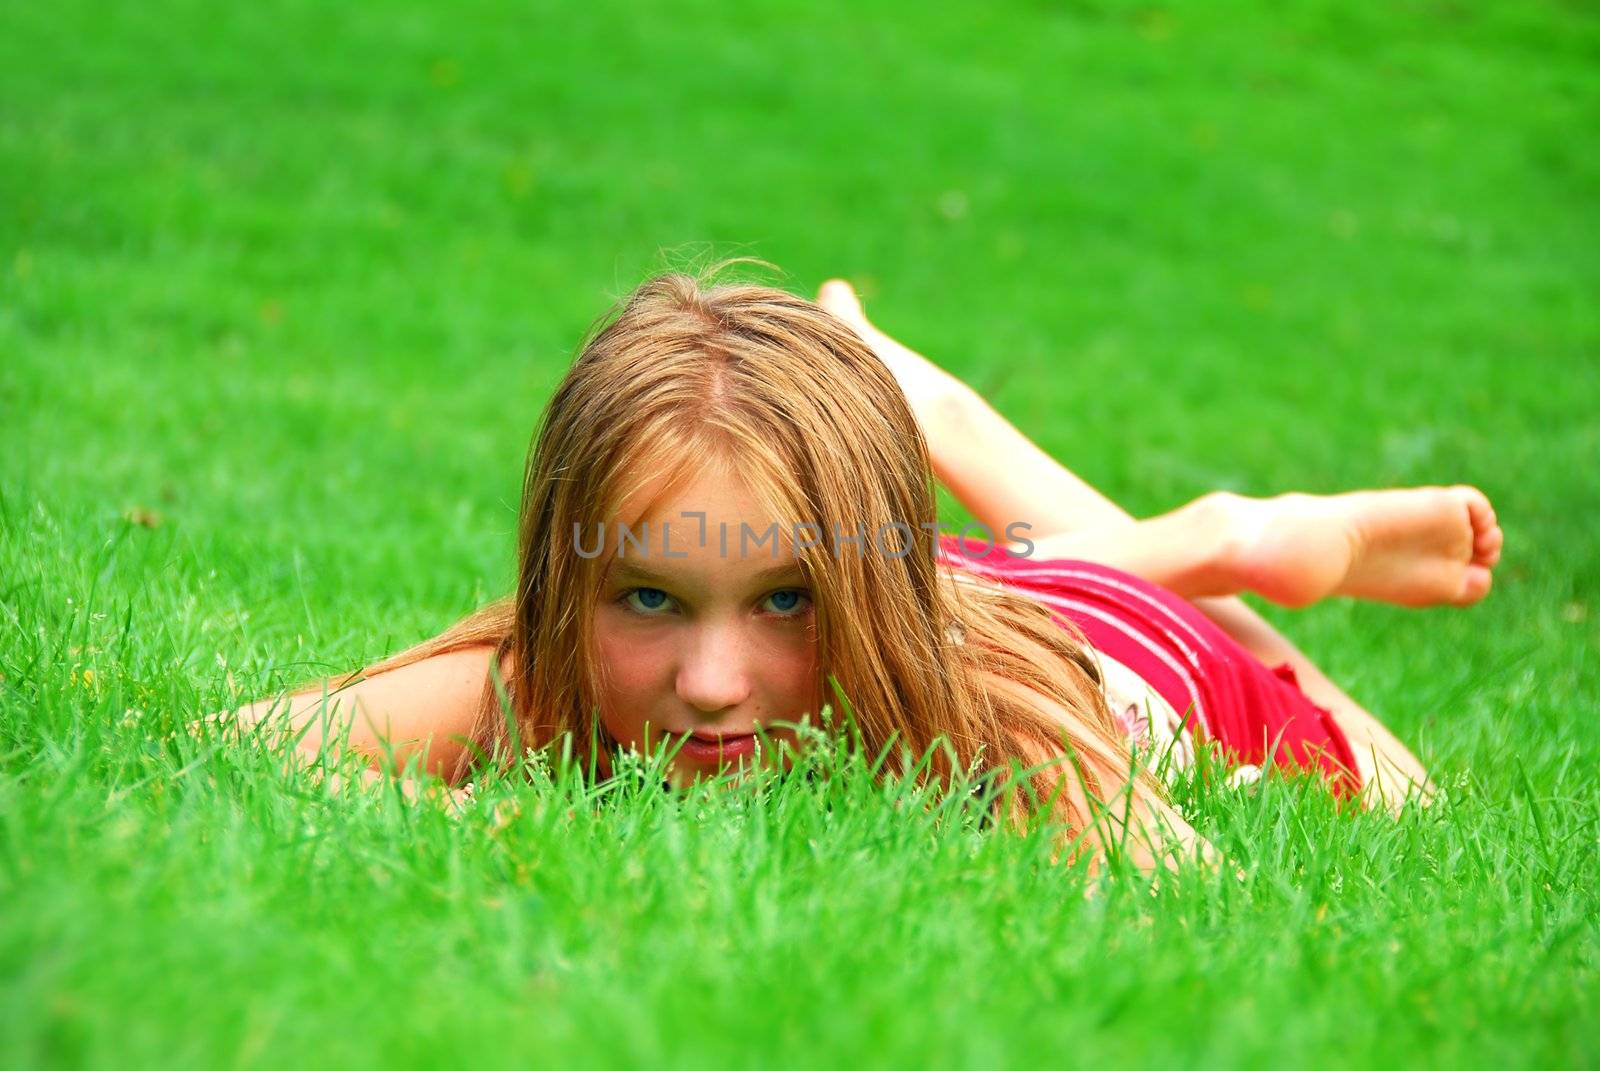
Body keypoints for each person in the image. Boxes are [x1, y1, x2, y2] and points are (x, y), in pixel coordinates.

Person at [217, 267, 1503, 872]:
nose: (711, 685)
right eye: (649, 597)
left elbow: (1194, 899)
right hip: (899, 575)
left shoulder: (1003, 728)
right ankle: (943, 425)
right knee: (902, 564)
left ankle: (1228, 548)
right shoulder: (557, 677)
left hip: (1137, 650)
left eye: (776, 609)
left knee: (1412, 802)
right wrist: (522, 812)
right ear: (571, 584)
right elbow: (236, 749)